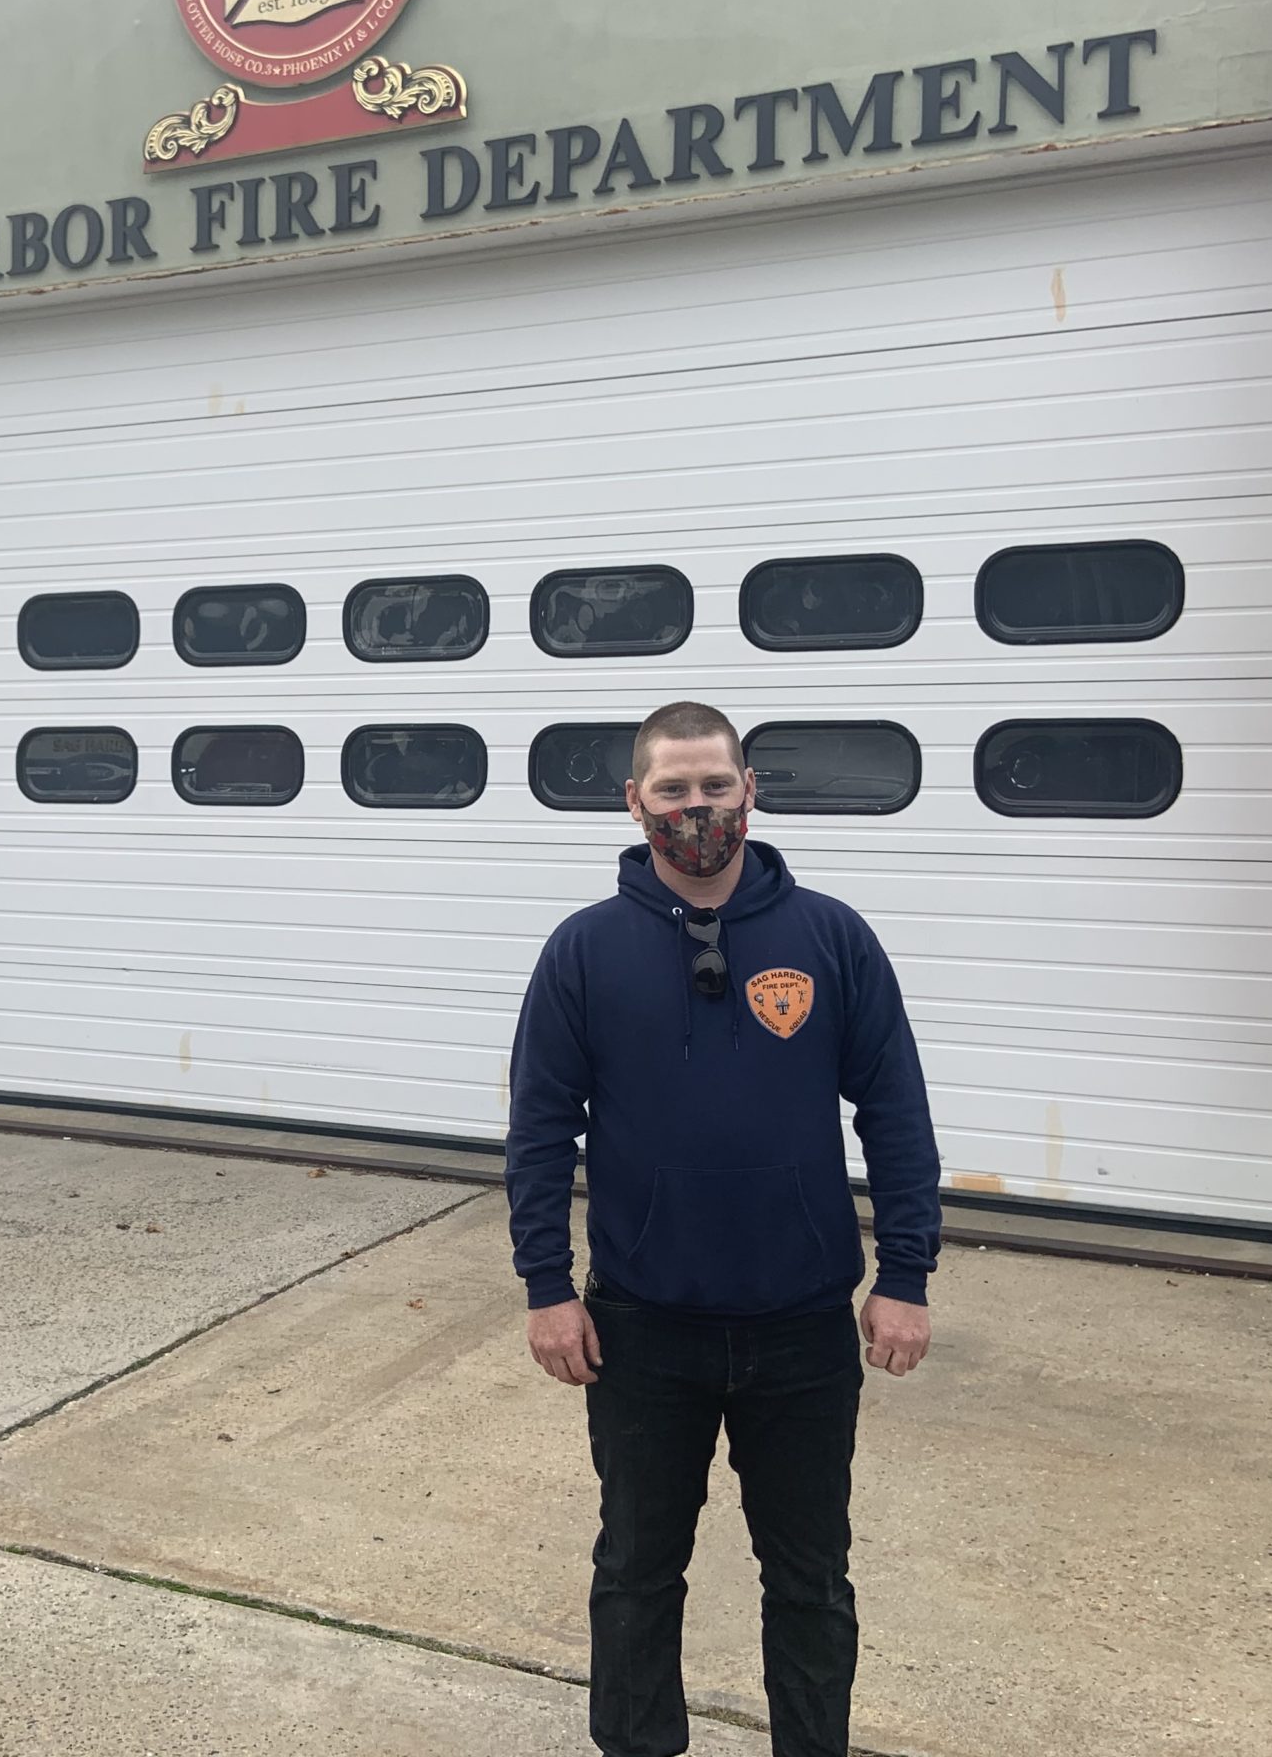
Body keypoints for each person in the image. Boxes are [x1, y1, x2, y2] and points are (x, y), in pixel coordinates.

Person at [504, 700, 941, 1757]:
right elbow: (537, 1129)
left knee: (808, 1578)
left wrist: (906, 1272)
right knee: (637, 1572)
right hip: (645, 1328)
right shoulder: (584, 951)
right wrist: (547, 1287)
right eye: (671, 791)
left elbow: (893, 1109)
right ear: (633, 802)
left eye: (712, 787)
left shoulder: (829, 937)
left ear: (750, 791)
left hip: (799, 1325)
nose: (693, 810)